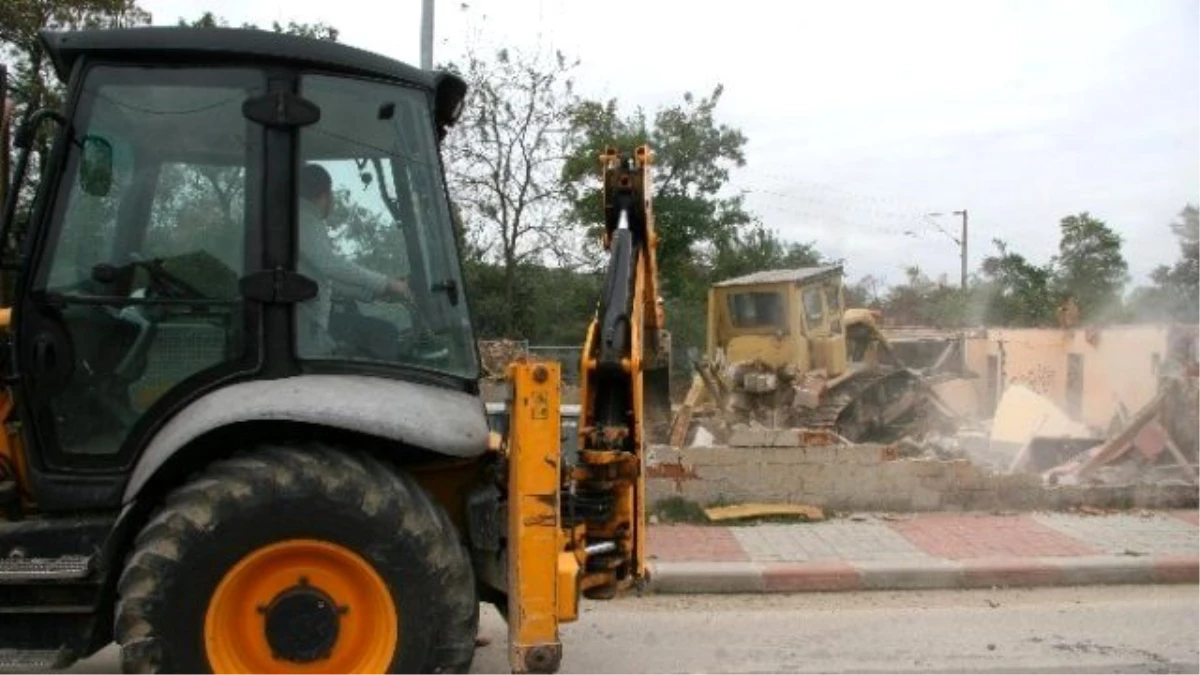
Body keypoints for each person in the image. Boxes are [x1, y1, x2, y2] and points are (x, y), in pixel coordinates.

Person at [296, 163, 410, 356]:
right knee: (385, 333)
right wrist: (387, 283)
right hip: (307, 326)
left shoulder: (303, 221)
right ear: (325, 194)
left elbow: (327, 280)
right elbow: (331, 265)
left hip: (310, 322)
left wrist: (373, 293)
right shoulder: (304, 219)